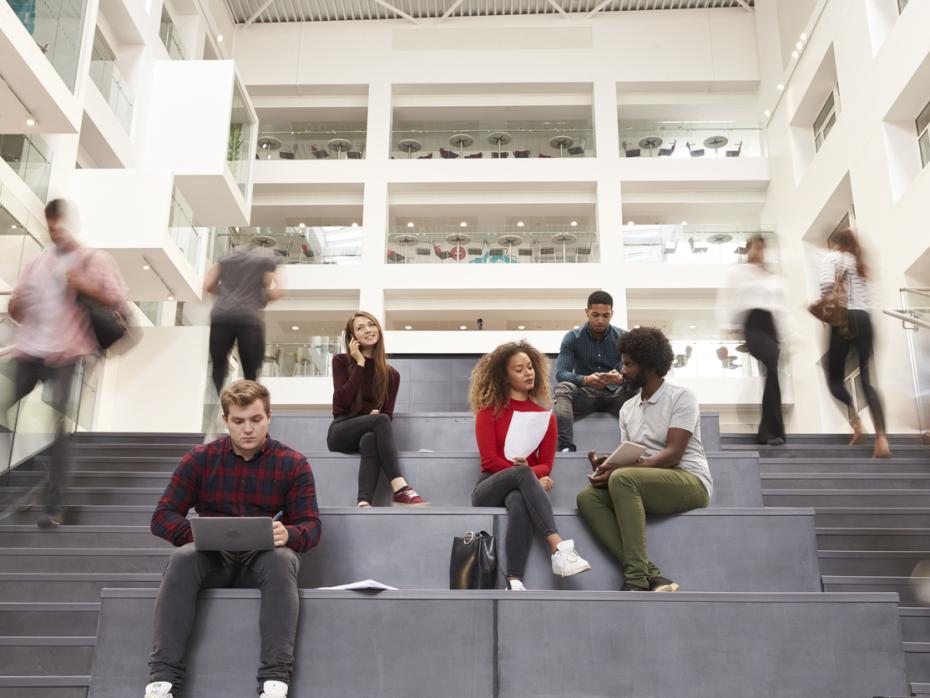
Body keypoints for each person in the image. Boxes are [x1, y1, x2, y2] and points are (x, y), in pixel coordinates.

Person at [145, 380, 320, 698]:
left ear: (269, 416)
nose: (248, 429)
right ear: (225, 421)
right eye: (238, 421)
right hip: (211, 559)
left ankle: (274, 681)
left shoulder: (293, 463)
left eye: (256, 419)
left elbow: (311, 526)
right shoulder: (199, 459)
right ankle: (162, 682)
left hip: (263, 559)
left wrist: (289, 532)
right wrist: (199, 534)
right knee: (183, 557)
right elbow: (161, 518)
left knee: (283, 560)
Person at [5, 199, 128, 528]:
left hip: (66, 353)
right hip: (29, 350)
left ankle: (53, 505)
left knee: (58, 428)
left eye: (59, 224)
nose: (54, 231)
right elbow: (17, 310)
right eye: (50, 226)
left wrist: (82, 284)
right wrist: (17, 304)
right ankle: (36, 480)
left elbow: (118, 298)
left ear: (68, 223)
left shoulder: (92, 258)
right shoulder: (36, 263)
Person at [577, 327, 713, 592]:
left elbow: (674, 454)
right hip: (645, 482)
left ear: (649, 365)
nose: (623, 370)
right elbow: (633, 455)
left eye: (629, 364)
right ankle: (651, 575)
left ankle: (636, 579)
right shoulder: (628, 408)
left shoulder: (682, 397)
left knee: (623, 477)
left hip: (690, 481)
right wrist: (608, 464)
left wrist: (620, 470)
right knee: (588, 498)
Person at [470, 341, 591, 590]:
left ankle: (514, 580)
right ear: (504, 377)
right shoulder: (488, 412)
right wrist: (526, 474)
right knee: (521, 476)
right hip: (488, 487)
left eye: (530, 367)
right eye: (519, 369)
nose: (529, 372)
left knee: (517, 500)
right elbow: (489, 461)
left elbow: (546, 464)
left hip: (522, 489)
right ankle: (557, 546)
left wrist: (528, 477)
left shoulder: (545, 417)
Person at [326, 311, 428, 507]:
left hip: (367, 430)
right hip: (340, 430)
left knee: (371, 438)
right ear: (352, 337)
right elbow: (341, 403)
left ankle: (363, 501)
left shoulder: (392, 375)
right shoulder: (341, 361)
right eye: (360, 328)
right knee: (379, 420)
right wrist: (360, 364)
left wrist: (372, 418)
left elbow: (387, 415)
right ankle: (400, 488)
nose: (368, 330)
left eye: (371, 324)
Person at [818, 228, 891, 458]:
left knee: (833, 378)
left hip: (844, 320)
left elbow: (826, 288)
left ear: (834, 243)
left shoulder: (832, 258)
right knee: (866, 379)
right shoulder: (861, 262)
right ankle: (882, 439)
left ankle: (856, 422)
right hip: (866, 320)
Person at [718, 235, 787, 445]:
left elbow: (780, 308)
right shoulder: (738, 273)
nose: (759, 252)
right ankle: (769, 430)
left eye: (762, 248)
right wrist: (728, 325)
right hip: (753, 324)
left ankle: (770, 431)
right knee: (772, 366)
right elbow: (726, 300)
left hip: (771, 325)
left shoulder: (772, 277)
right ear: (748, 249)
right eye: (755, 248)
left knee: (773, 374)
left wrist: (788, 334)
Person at [554, 290, 634, 452]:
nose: (600, 320)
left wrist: (621, 379)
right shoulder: (572, 337)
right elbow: (561, 373)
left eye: (606, 316)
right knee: (562, 388)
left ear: (612, 314)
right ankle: (566, 446)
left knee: (638, 389)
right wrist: (585, 380)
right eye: (595, 315)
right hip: (585, 396)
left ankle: (638, 447)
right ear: (587, 312)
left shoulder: (624, 338)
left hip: (616, 397)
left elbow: (637, 373)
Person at [203, 243, 282, 396]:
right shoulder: (264, 260)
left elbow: (208, 286)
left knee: (218, 365)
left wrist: (226, 294)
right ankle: (250, 406)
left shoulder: (225, 258)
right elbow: (277, 291)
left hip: (221, 316)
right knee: (251, 372)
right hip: (249, 318)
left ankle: (216, 406)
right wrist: (260, 297)